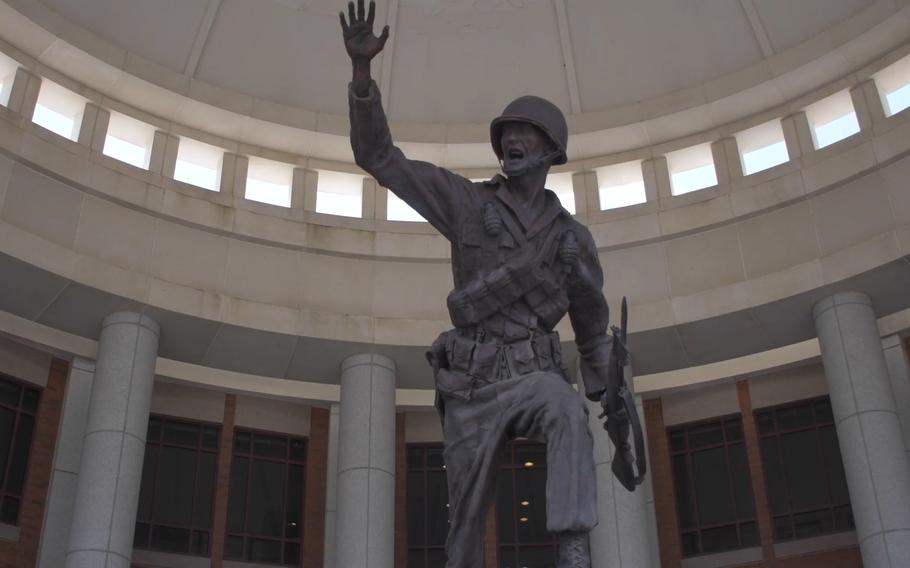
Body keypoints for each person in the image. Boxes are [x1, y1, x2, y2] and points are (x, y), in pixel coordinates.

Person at [340, 2, 631, 566]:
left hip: (533, 375)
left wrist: (609, 394)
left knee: (565, 411)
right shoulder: (468, 204)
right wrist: (361, 76)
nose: (513, 142)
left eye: (526, 134)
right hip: (472, 384)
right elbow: (379, 158)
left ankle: (574, 549)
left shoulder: (572, 239)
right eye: (508, 134)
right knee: (465, 524)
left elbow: (592, 328)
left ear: (551, 152)